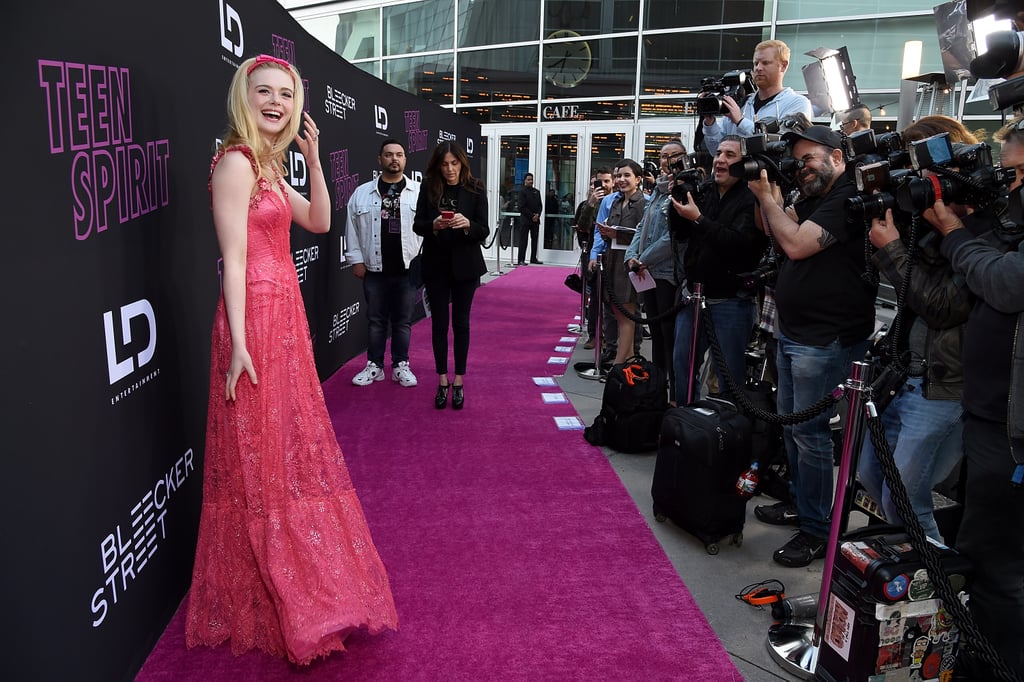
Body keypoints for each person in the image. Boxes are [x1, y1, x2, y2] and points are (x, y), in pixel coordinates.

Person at [186, 54, 398, 664]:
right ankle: (267, 590)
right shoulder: (234, 163)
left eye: (286, 92)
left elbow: (320, 221)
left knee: (283, 449)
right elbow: (235, 259)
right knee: (256, 455)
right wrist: (240, 344)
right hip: (251, 319)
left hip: (285, 320)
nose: (276, 102)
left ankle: (289, 583)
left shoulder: (270, 167)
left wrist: (309, 160)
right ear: (243, 97)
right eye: (265, 92)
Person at [748, 125, 877, 567]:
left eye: (808, 159)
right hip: (795, 334)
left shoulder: (846, 199)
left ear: (838, 157)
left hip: (825, 340)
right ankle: (805, 507)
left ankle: (818, 529)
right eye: (798, 161)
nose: (801, 168)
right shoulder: (815, 198)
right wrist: (770, 193)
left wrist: (769, 198)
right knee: (793, 429)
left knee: (811, 436)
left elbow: (798, 245)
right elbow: (772, 231)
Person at [924, 116, 1024, 677]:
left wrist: (955, 234)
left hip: (1011, 432)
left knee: (999, 571)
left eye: (1013, 176)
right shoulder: (1004, 227)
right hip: (990, 418)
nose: (1005, 187)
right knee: (988, 559)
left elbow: (1005, 283)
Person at [857, 116, 980, 542]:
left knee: (906, 497)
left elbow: (945, 307)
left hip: (942, 385)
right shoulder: (920, 219)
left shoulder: (981, 227)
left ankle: (939, 590)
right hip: (900, 374)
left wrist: (891, 247)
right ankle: (912, 577)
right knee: (871, 476)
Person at [669, 134, 767, 405]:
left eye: (730, 155)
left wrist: (698, 219)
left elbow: (739, 244)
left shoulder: (752, 199)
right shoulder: (705, 190)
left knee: (729, 376)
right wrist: (676, 199)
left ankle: (725, 434)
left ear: (745, 163)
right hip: (694, 296)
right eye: (719, 153)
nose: (721, 160)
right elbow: (680, 233)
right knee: (682, 367)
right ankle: (684, 424)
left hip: (731, 302)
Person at [413, 141, 489, 410]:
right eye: (444, 164)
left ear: (462, 163)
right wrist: (433, 225)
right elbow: (418, 224)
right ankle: (442, 380)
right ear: (438, 165)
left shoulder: (476, 187)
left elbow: (484, 229)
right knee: (439, 325)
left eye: (454, 163)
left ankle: (459, 380)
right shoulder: (428, 186)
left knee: (461, 323)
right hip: (436, 265)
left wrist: (467, 224)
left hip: (466, 267)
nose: (449, 169)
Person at [344, 138, 422, 388]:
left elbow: (428, 231)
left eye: (399, 154)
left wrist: (425, 262)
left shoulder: (419, 192)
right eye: (388, 155)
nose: (394, 159)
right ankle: (374, 366)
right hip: (374, 269)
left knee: (403, 321)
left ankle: (401, 365)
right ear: (380, 159)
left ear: (405, 160)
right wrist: (355, 260)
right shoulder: (362, 193)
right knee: (376, 320)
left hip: (408, 269)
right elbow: (352, 229)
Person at [625, 139, 689, 390]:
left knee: (669, 334)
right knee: (656, 333)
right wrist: (632, 255)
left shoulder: (684, 190)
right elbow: (642, 227)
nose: (667, 161)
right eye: (663, 156)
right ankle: (658, 386)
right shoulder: (659, 191)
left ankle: (675, 389)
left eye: (674, 156)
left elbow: (674, 237)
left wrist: (643, 259)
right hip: (646, 272)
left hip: (667, 274)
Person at [701, 39, 813, 157]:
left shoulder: (797, 103)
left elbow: (783, 146)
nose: (758, 68)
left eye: (765, 63)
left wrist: (740, 121)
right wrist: (710, 123)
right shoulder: (742, 103)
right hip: (734, 174)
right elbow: (716, 152)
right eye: (755, 63)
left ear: (783, 66)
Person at [589, 159, 647, 366]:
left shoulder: (644, 203)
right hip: (612, 261)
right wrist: (605, 234)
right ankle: (627, 358)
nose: (621, 180)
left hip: (630, 264)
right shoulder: (613, 201)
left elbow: (645, 237)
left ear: (638, 179)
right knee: (616, 313)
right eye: (619, 176)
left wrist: (618, 235)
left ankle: (620, 363)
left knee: (627, 314)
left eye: (627, 175)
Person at [518, 172, 543, 265]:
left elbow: (540, 205)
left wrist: (537, 215)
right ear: (525, 180)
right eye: (528, 180)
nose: (530, 181)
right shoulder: (522, 192)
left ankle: (533, 258)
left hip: (536, 220)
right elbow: (521, 207)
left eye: (531, 179)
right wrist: (532, 216)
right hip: (526, 220)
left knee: (535, 240)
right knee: (523, 240)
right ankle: (521, 259)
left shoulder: (536, 192)